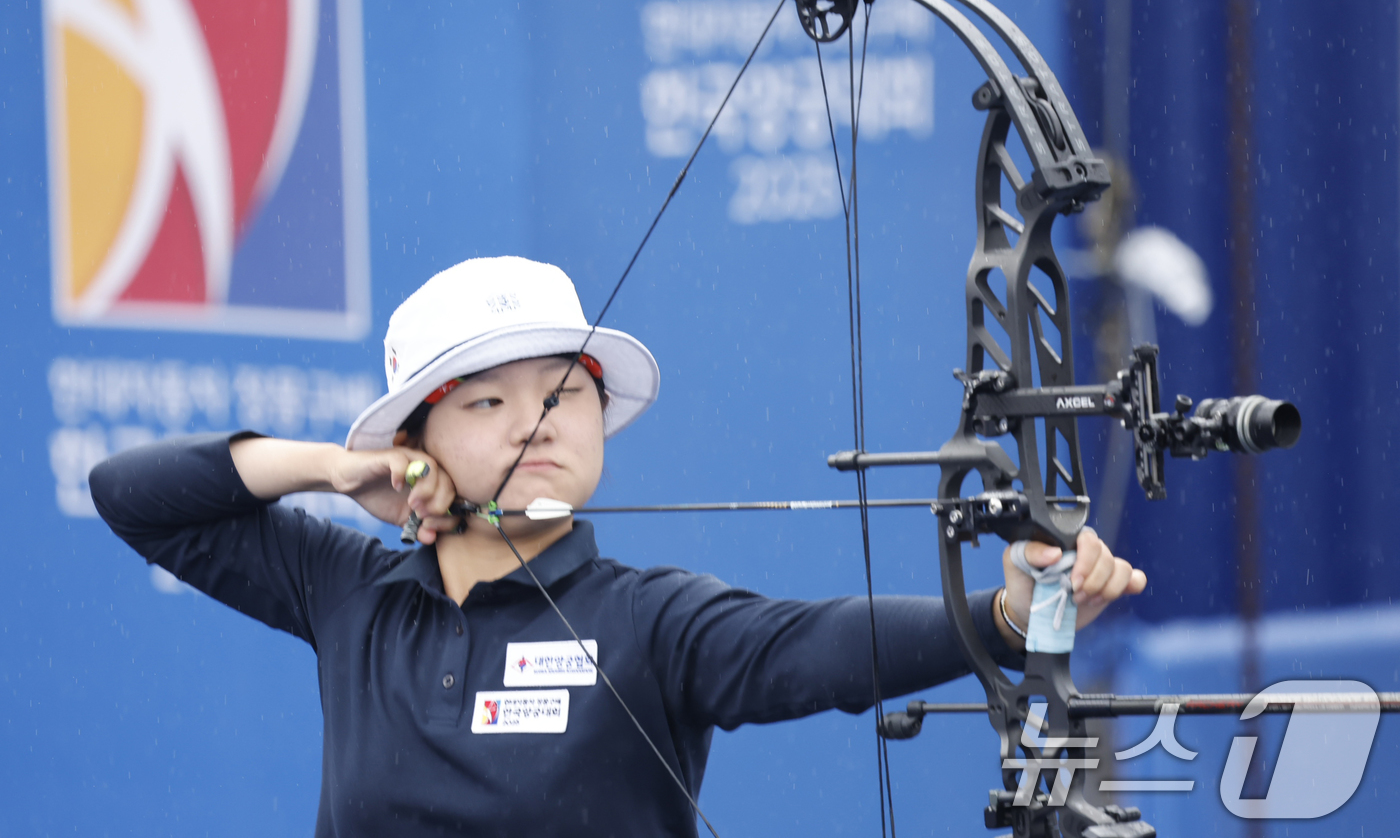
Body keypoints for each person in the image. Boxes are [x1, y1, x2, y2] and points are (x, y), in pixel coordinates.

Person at [90, 255, 1147, 838]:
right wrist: (334, 466)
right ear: (414, 444)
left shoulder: (647, 619)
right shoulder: (350, 591)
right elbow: (133, 496)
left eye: (563, 395)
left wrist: (1014, 615)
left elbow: (812, 648)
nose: (535, 423)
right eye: (488, 402)